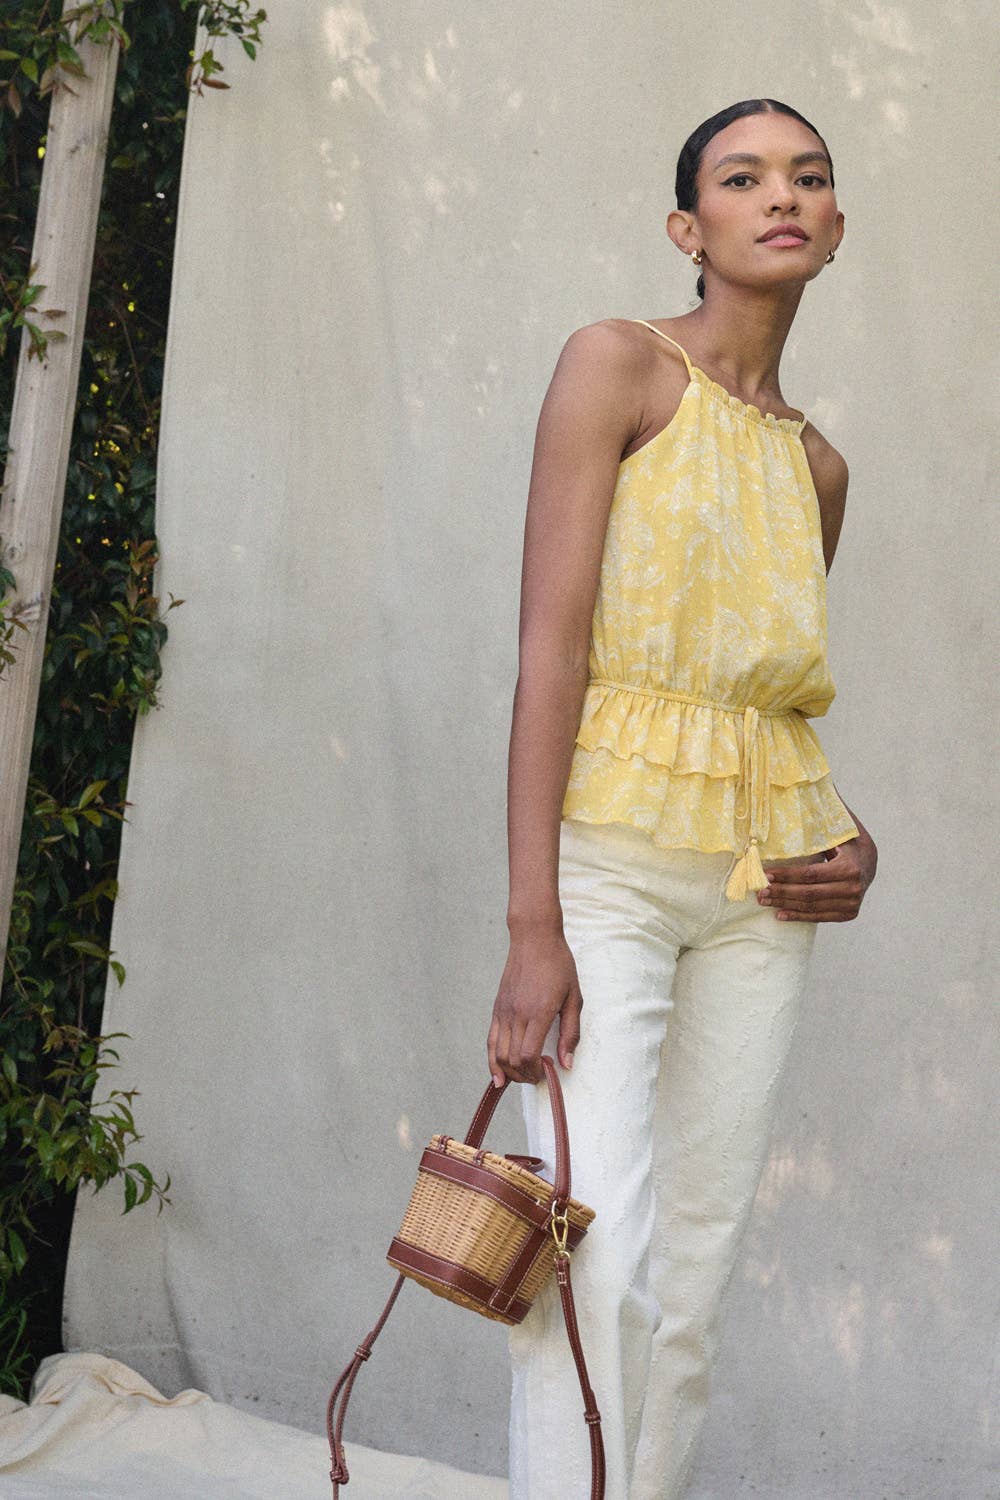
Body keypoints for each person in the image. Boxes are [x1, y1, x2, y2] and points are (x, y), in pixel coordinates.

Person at [486, 98, 879, 1500]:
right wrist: (532, 923)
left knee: (697, 1275)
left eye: (808, 177)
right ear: (687, 226)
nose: (782, 195)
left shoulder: (817, 467)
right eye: (744, 175)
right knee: (592, 1255)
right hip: (608, 866)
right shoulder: (617, 366)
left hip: (765, 890)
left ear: (835, 227)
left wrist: (854, 842)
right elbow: (551, 651)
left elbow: (763, 700)